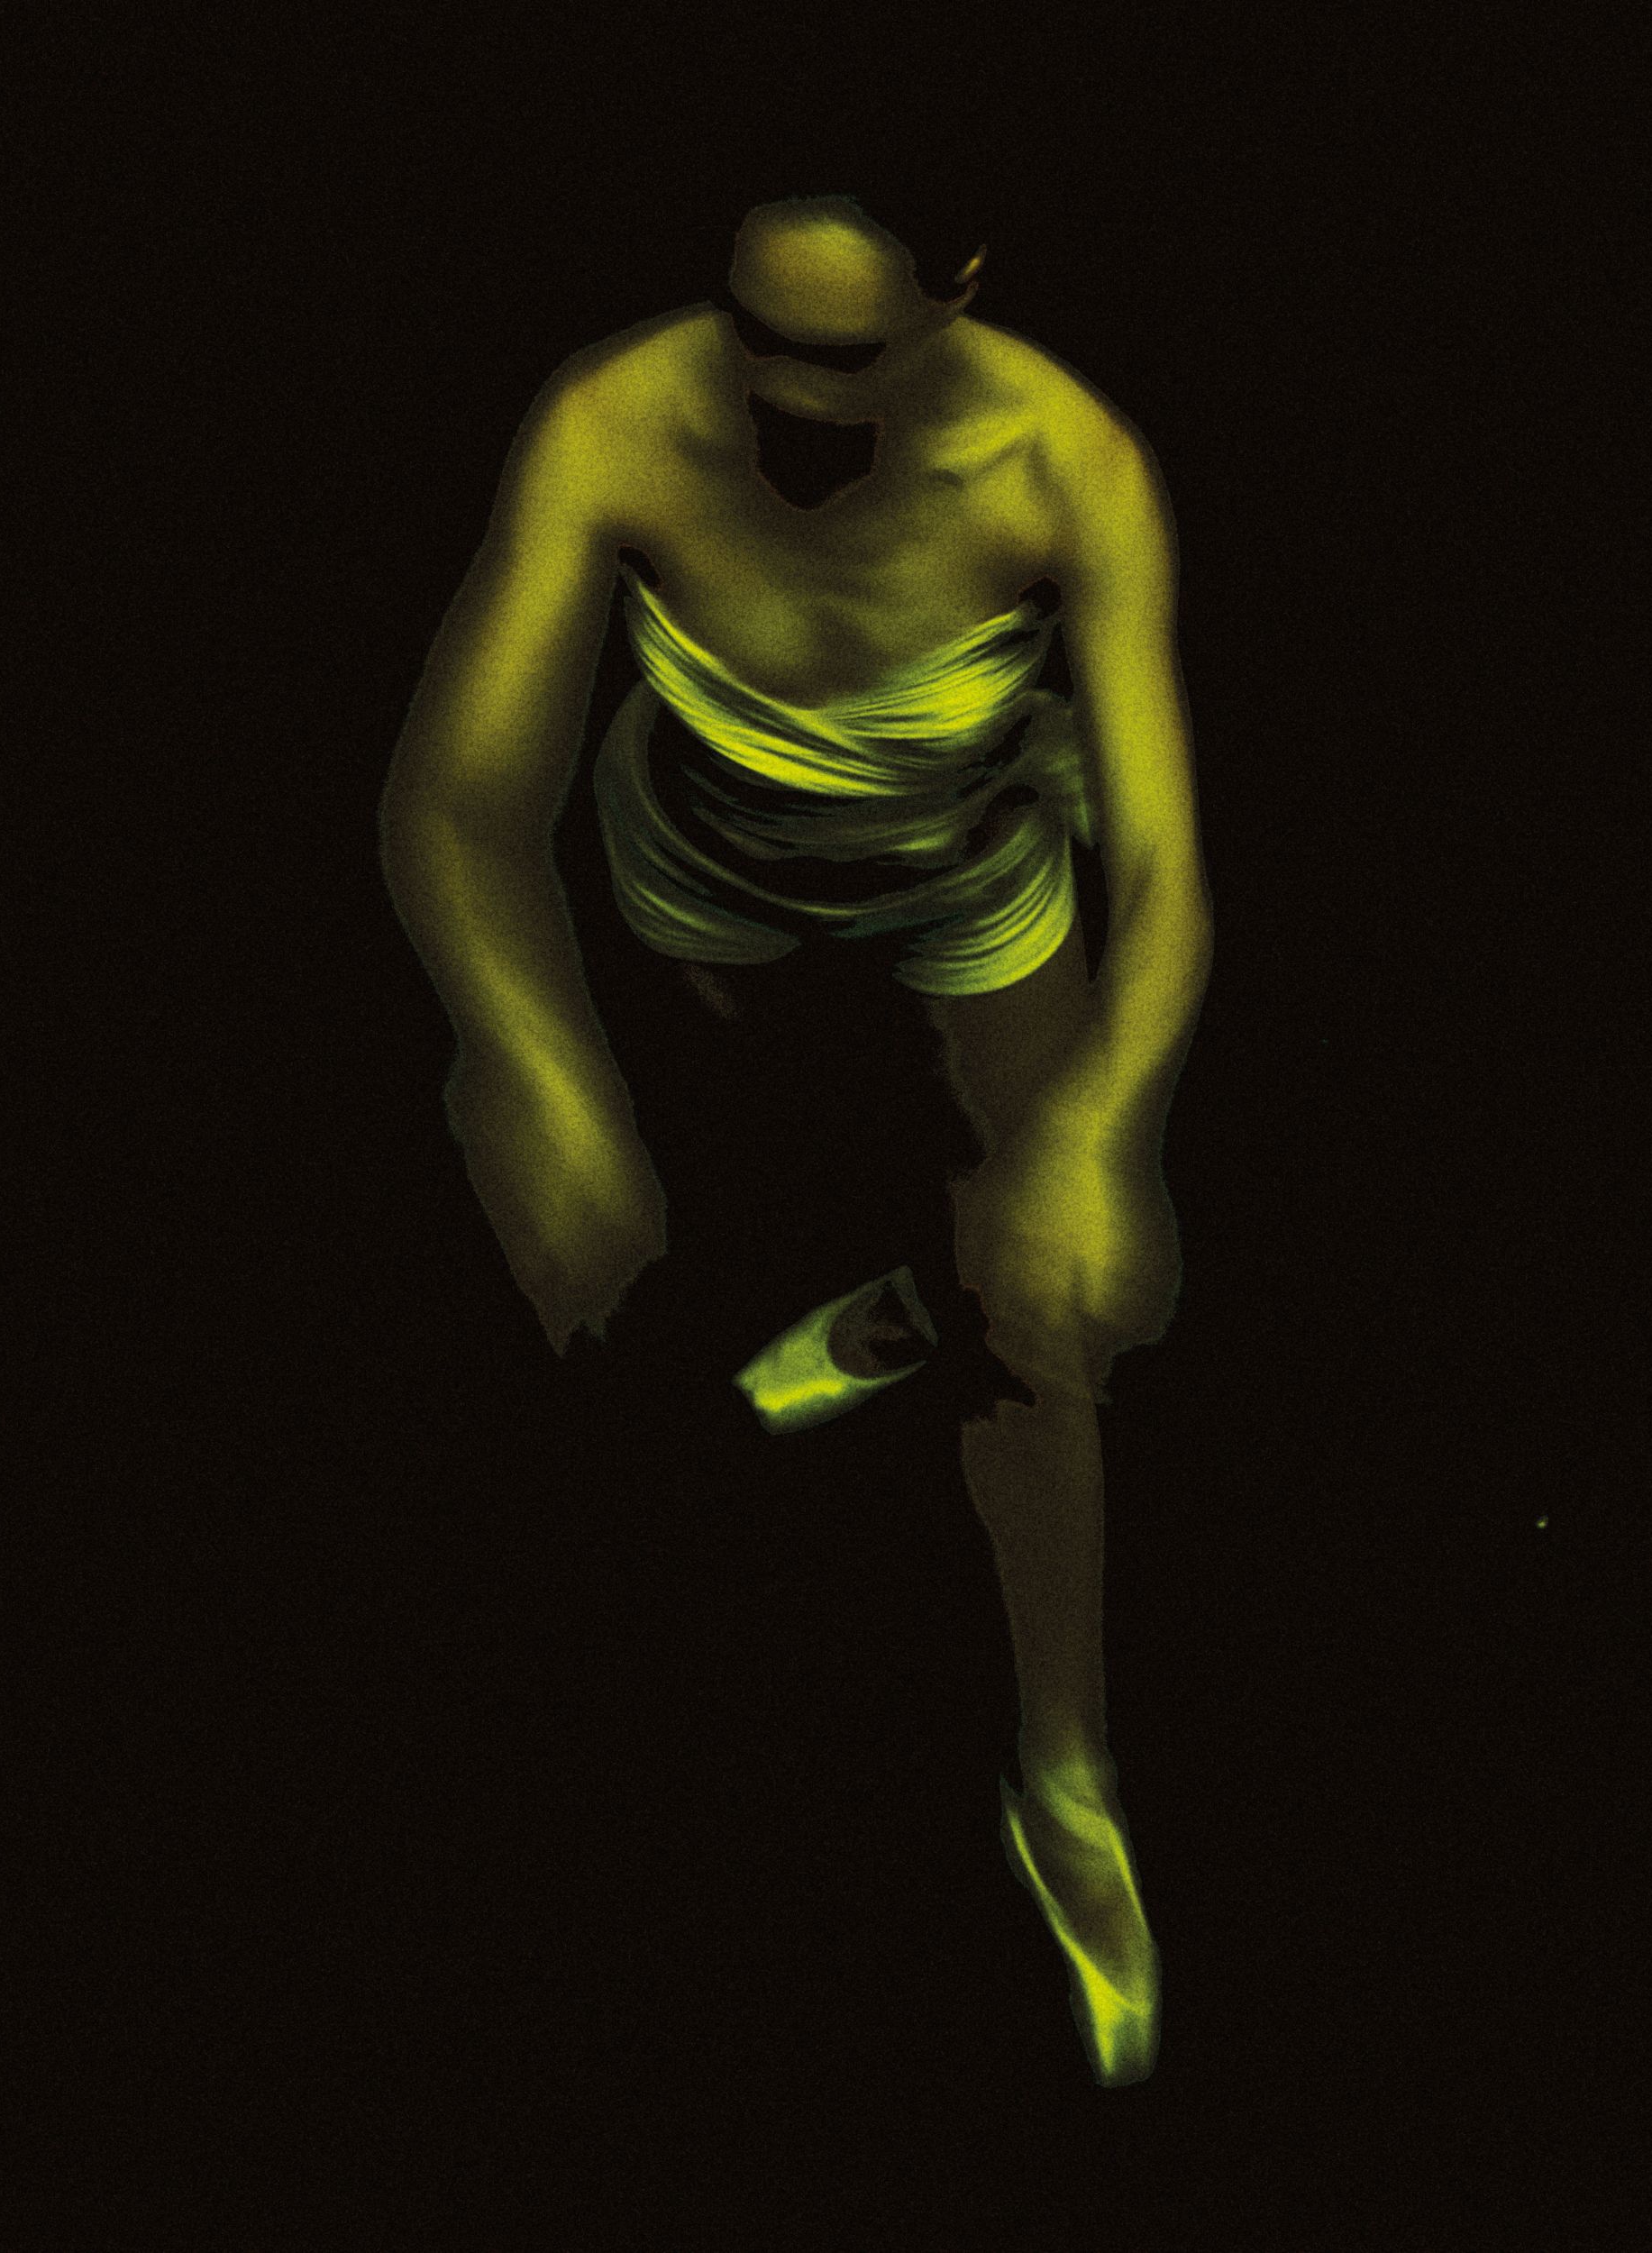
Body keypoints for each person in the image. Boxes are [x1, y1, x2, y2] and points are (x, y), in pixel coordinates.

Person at [378, 187, 1214, 2085]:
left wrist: (1099, 1133)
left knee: (1072, 1323)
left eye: (840, 358)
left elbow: (1168, 872)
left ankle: (1064, 1770)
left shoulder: (1069, 460)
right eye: (753, 336)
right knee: (642, 1270)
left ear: (960, 289)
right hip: (697, 901)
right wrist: (539, 1064)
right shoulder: (616, 415)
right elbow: (454, 799)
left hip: (972, 907)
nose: (785, 396)